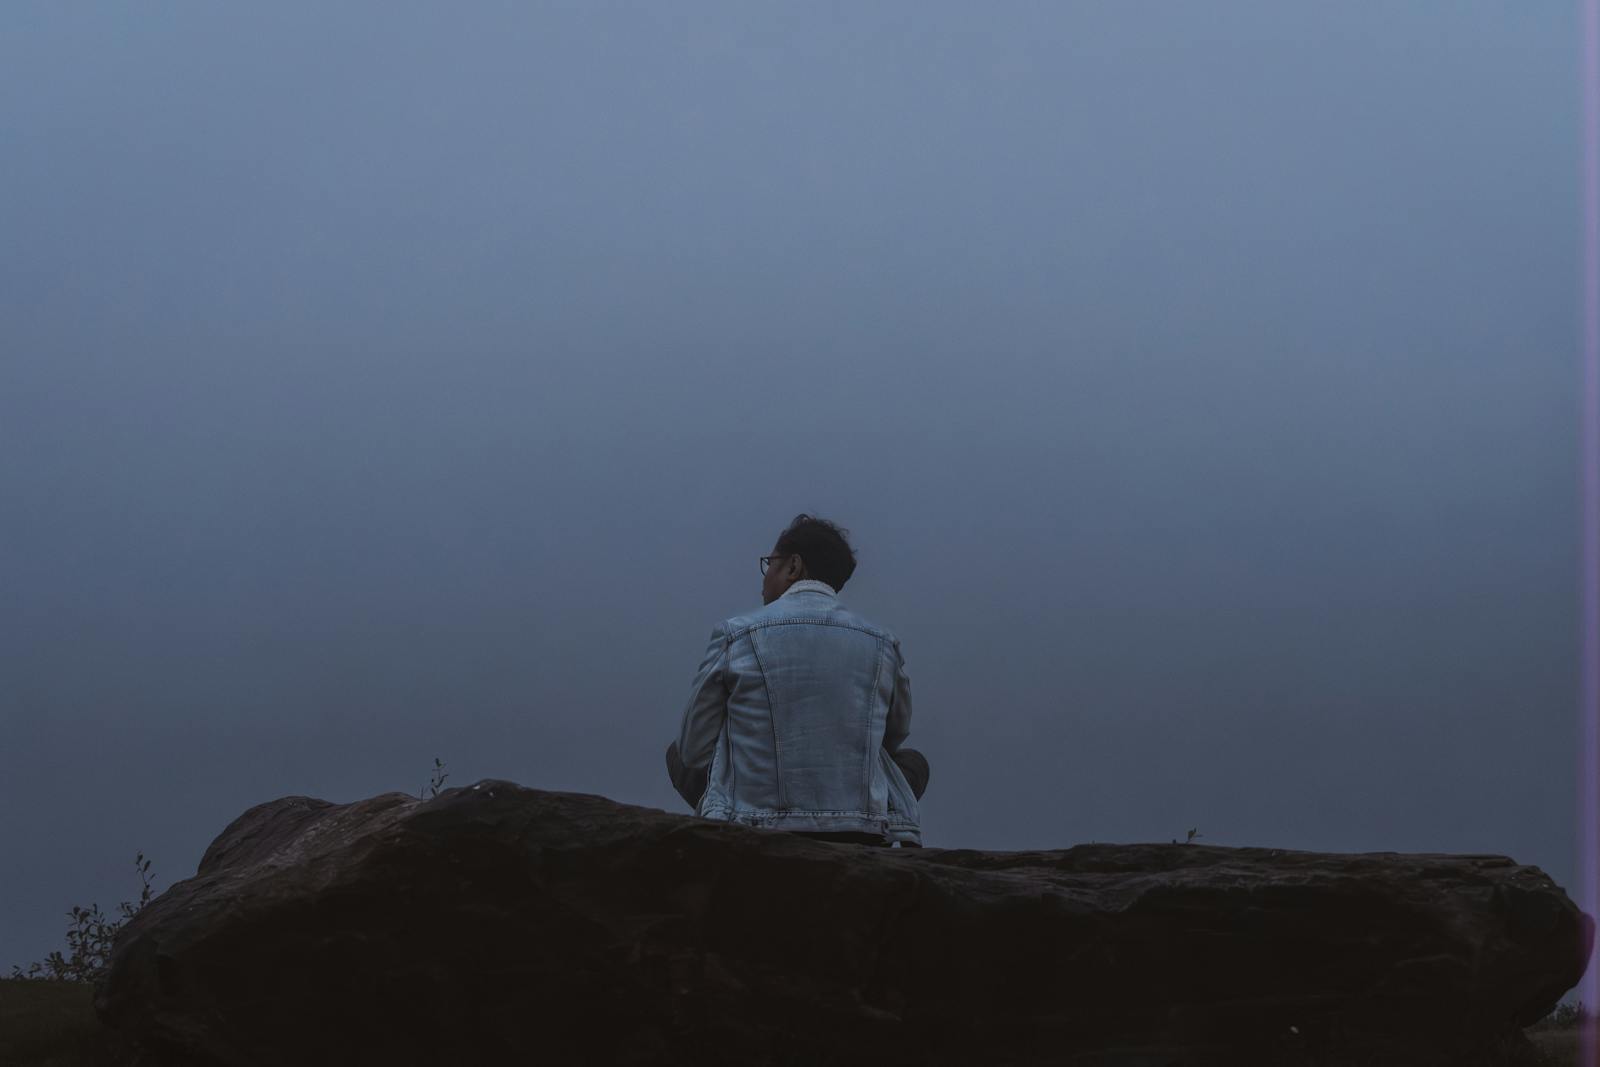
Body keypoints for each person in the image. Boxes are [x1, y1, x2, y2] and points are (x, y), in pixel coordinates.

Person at [665, 514, 929, 847]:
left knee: (676, 753)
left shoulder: (736, 634)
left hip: (753, 823)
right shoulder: (883, 643)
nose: (763, 580)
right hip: (857, 827)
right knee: (913, 762)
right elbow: (893, 740)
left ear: (793, 567)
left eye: (769, 564)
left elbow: (692, 749)